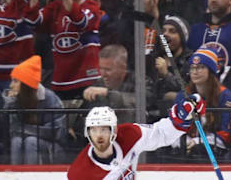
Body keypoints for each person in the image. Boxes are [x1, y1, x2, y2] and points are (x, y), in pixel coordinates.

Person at [67, 97, 206, 179]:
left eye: (104, 129)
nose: (98, 135)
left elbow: (161, 134)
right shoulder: (79, 174)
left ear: (114, 130)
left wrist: (182, 117)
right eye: (94, 130)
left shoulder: (130, 136)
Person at [24, 0, 101, 102]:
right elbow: (33, 21)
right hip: (61, 79)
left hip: (86, 78)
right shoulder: (55, 7)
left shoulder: (92, 7)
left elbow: (80, 20)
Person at [3, 55, 67, 164]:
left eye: (15, 81)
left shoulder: (49, 98)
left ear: (26, 84)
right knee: (16, 141)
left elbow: (55, 132)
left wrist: (24, 130)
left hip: (54, 148)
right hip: (27, 141)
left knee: (30, 141)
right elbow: (11, 130)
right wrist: (10, 102)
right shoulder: (15, 100)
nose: (11, 85)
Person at [82, 44, 156, 123]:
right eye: (101, 68)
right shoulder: (98, 83)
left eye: (108, 69)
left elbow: (145, 100)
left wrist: (108, 93)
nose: (103, 74)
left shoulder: (140, 81)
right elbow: (86, 115)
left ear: (123, 68)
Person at [148, 16, 192, 122]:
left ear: (182, 37)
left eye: (172, 31)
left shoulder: (191, 61)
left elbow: (189, 91)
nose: (166, 34)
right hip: (150, 117)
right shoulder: (151, 58)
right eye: (163, 31)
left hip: (178, 119)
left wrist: (166, 75)